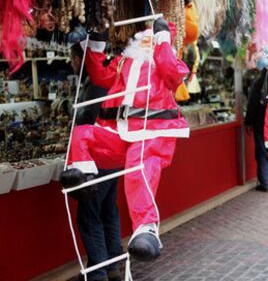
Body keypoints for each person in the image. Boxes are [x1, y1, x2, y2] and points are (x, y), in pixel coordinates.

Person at [60, 18, 190, 262]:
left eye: (153, 36)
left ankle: (146, 229)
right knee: (82, 134)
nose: (147, 39)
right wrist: (96, 43)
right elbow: (100, 75)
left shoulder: (166, 64)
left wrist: (163, 42)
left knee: (138, 168)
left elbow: (174, 73)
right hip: (120, 131)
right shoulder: (124, 64)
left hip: (153, 131)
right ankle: (84, 177)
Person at [69, 43, 122, 281]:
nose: (72, 63)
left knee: (90, 215)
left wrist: (75, 116)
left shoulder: (95, 85)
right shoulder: (108, 80)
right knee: (108, 210)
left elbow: (87, 121)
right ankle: (114, 265)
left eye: (73, 58)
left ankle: (98, 272)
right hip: (113, 156)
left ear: (81, 59)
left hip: (96, 158)